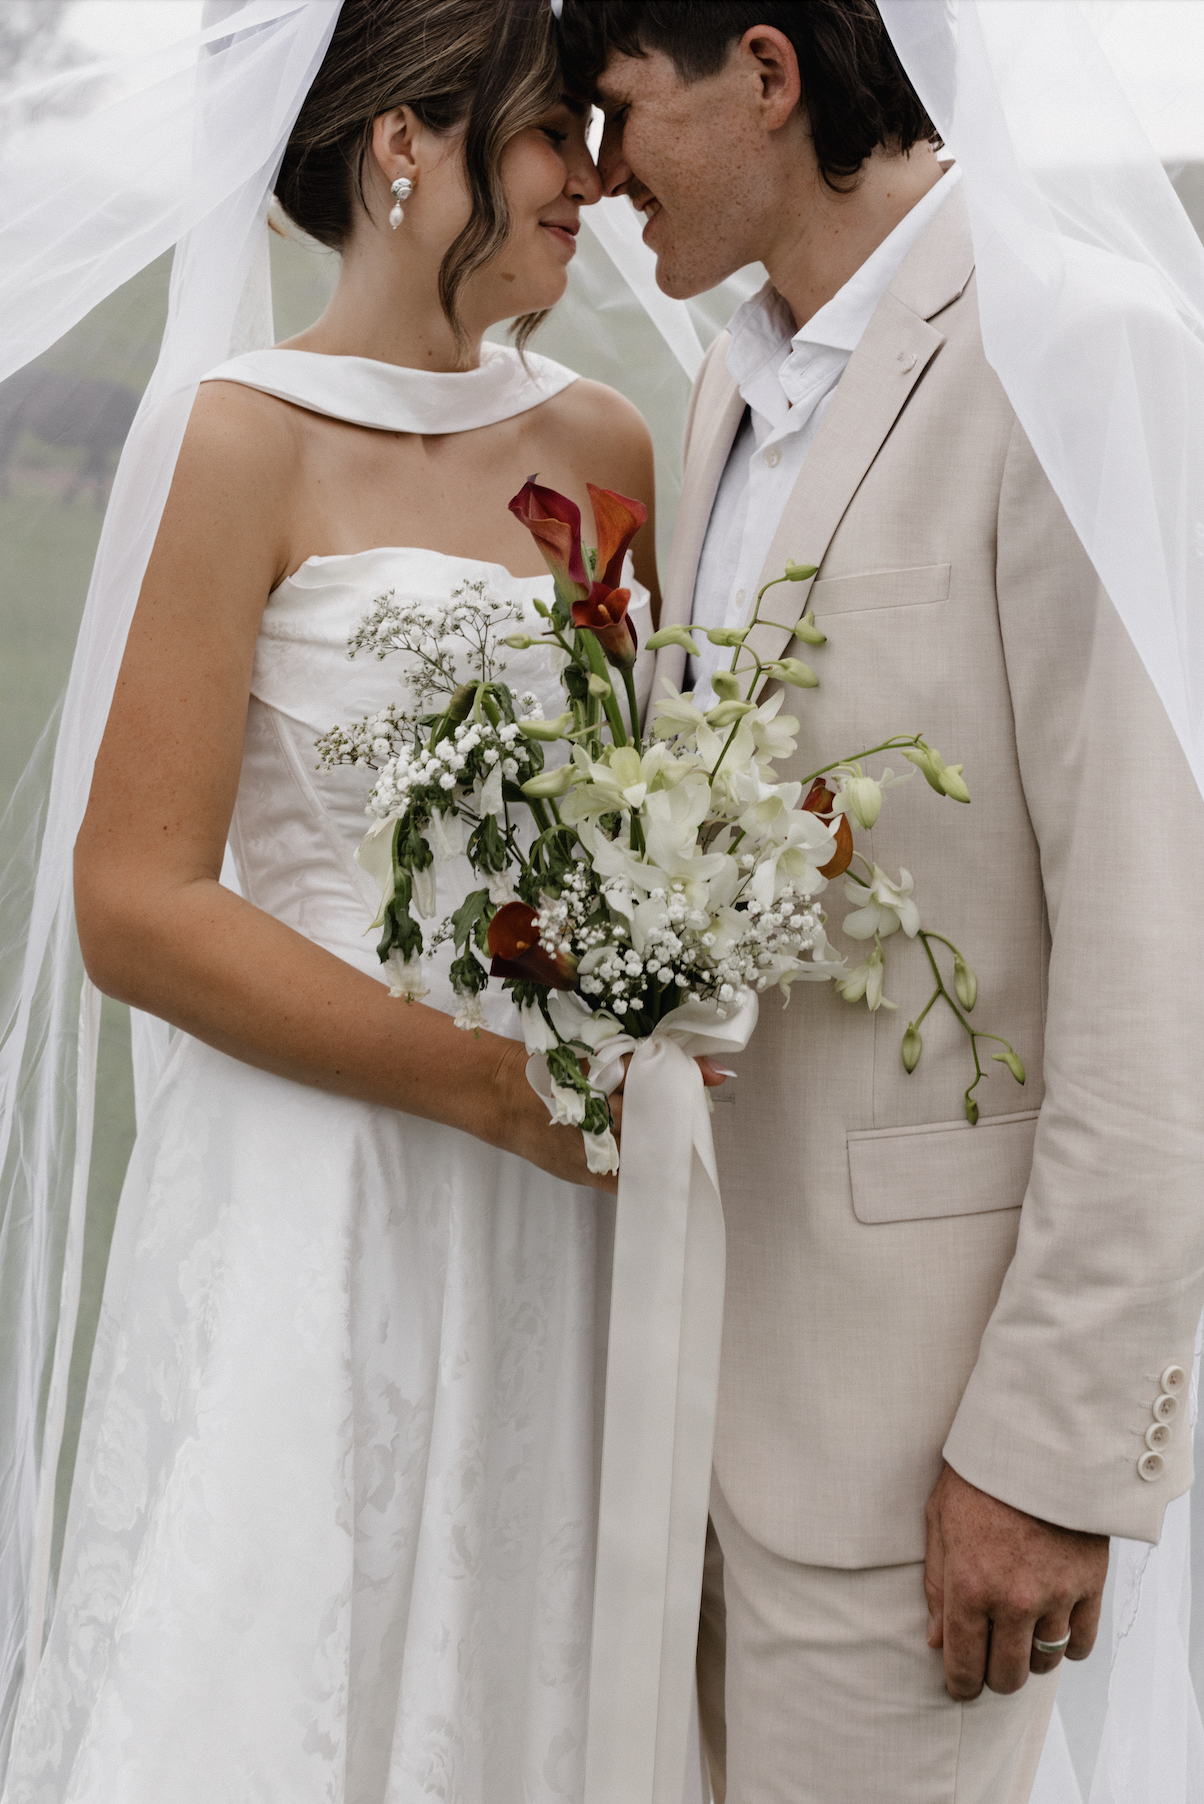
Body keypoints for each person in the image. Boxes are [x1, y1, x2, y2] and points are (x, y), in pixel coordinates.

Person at [0, 2, 686, 1797]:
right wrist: (479, 1084)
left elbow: (650, 819)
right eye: (551, 138)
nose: (596, 185)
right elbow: (132, 902)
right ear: (408, 147)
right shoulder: (236, 442)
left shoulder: (608, 443)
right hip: (322, 1190)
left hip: (564, 1210)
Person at [557, 3, 1204, 1801]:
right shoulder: (725, 382)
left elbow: (1164, 939)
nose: (600, 179)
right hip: (686, 1411)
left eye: (620, 113)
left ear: (767, 74)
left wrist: (1050, 1456)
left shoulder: (1079, 342)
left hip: (933, 1469)